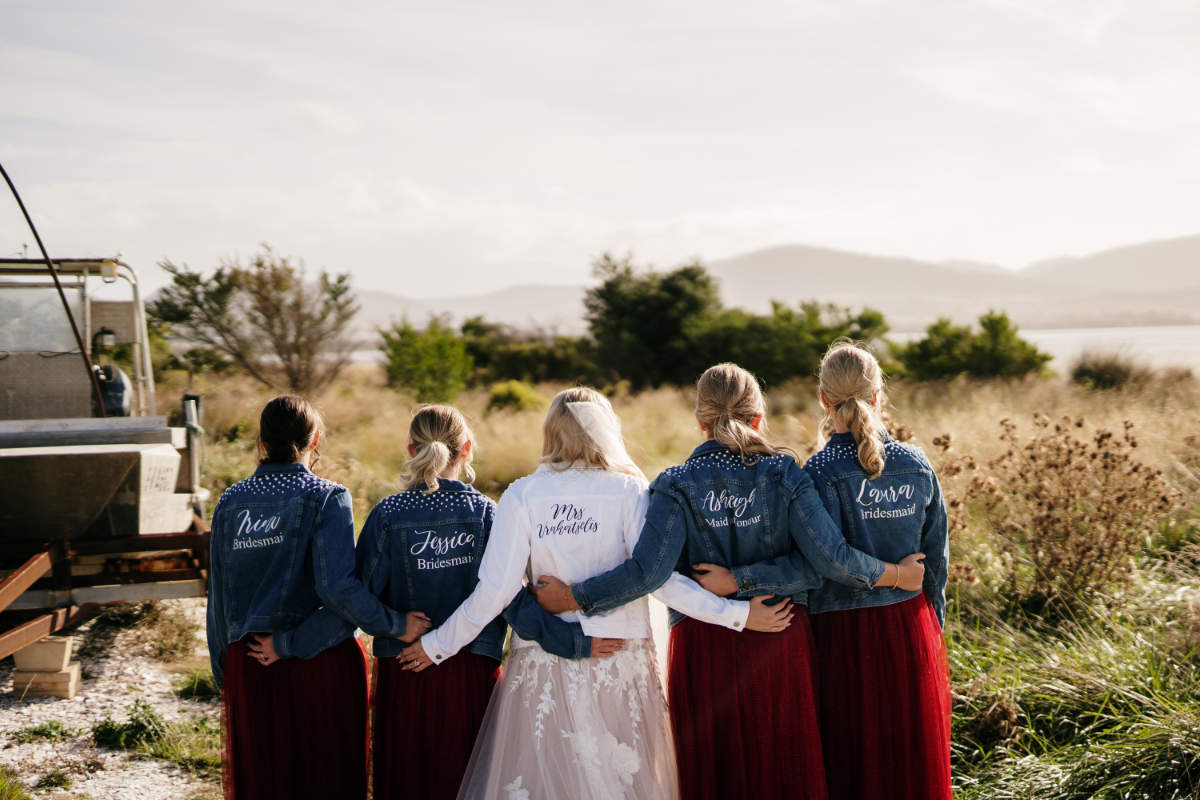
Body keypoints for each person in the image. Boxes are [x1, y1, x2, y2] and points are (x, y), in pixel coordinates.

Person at [533, 363, 925, 800]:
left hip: (704, 646)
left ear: (700, 422)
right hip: (779, 633)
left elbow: (649, 572)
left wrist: (575, 597)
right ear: (759, 417)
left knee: (713, 772)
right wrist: (752, 583)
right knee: (783, 768)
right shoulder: (787, 475)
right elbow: (821, 564)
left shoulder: (674, 483)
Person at [398, 388, 791, 799]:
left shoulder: (524, 494)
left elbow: (495, 591)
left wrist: (438, 645)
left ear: (552, 431)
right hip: (620, 661)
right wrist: (737, 615)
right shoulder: (628, 491)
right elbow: (658, 580)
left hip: (545, 662)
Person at [354, 405, 622, 800]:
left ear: (411, 449)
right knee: (468, 778)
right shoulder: (484, 513)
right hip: (470, 672)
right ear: (466, 449)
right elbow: (512, 600)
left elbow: (357, 595)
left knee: (407, 776)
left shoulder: (387, 514)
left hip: (405, 668)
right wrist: (572, 642)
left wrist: (395, 625)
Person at [205, 395, 425, 800]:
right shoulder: (327, 497)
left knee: (264, 782)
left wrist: (227, 673)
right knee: (325, 780)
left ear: (263, 441)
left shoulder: (229, 502)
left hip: (249, 662)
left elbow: (219, 595)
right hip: (319, 665)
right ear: (316, 438)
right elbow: (338, 589)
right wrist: (394, 624)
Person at [804, 342, 951, 800]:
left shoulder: (817, 473)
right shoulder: (916, 463)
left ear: (824, 400)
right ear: (877, 396)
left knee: (852, 757)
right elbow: (937, 561)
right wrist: (934, 629)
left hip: (841, 636)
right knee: (908, 758)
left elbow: (822, 562)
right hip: (909, 626)